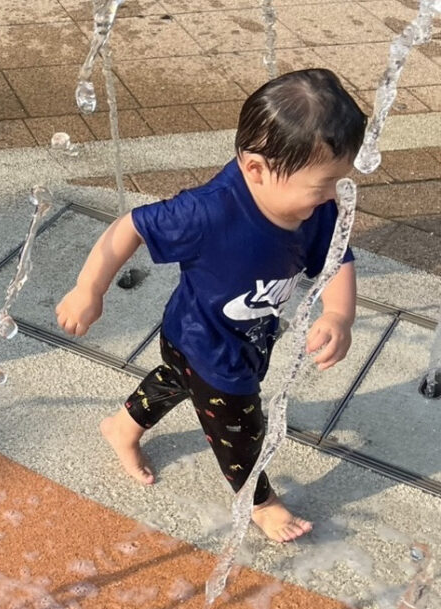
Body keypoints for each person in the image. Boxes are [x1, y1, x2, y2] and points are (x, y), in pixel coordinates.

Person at [56, 68, 366, 543]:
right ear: (256, 169)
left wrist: (339, 314)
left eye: (338, 183)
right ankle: (259, 502)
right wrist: (88, 289)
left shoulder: (316, 208)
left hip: (228, 339)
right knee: (240, 431)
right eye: (322, 185)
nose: (333, 197)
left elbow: (337, 256)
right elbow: (131, 226)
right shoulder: (208, 211)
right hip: (208, 345)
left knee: (175, 379)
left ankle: (122, 427)